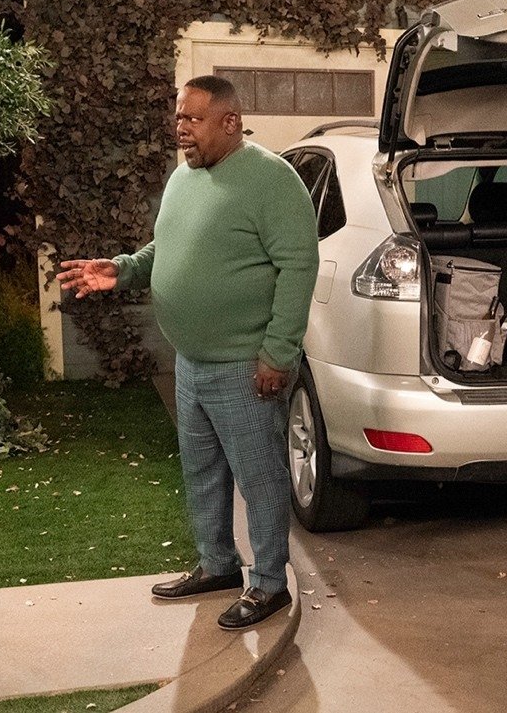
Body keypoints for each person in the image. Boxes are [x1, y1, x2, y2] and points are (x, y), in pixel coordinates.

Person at [57, 75, 318, 630]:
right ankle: (217, 565)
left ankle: (269, 584)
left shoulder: (272, 181)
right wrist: (123, 269)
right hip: (191, 361)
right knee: (202, 471)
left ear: (231, 122)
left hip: (244, 364)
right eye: (178, 118)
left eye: (193, 119)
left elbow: (300, 266)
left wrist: (278, 353)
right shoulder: (184, 178)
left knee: (260, 478)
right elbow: (167, 245)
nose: (181, 129)